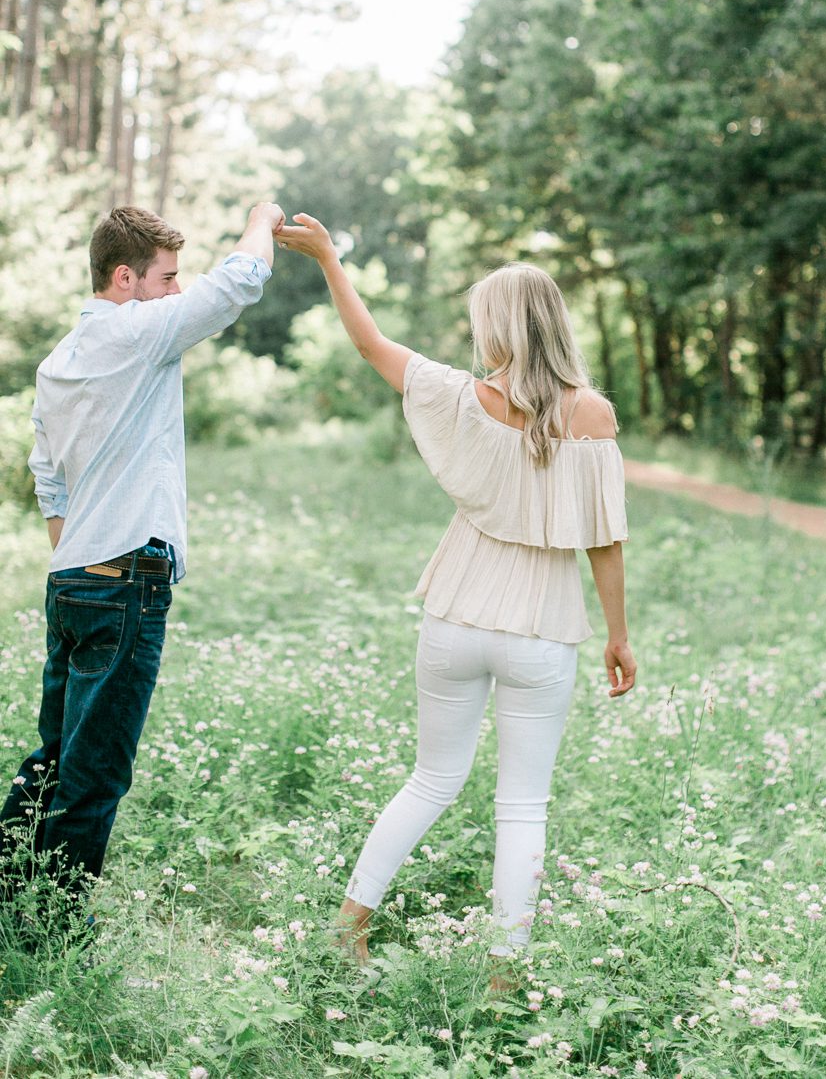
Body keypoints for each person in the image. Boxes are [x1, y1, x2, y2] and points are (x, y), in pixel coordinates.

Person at [275, 212, 636, 976]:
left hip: (454, 613)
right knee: (523, 805)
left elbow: (371, 344)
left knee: (431, 779)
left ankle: (350, 925)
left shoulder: (464, 397)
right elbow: (606, 540)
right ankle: (505, 975)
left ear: (501, 326)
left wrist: (330, 259)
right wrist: (618, 634)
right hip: (540, 627)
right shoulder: (594, 416)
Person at [0, 200, 285, 923]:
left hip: (72, 579)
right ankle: (55, 931)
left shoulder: (58, 360)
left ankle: (9, 893)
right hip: (125, 578)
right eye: (167, 276)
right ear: (124, 278)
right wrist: (263, 214)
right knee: (94, 773)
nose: (177, 291)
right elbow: (240, 280)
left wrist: (82, 548)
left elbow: (48, 476)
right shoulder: (135, 334)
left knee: (56, 756)